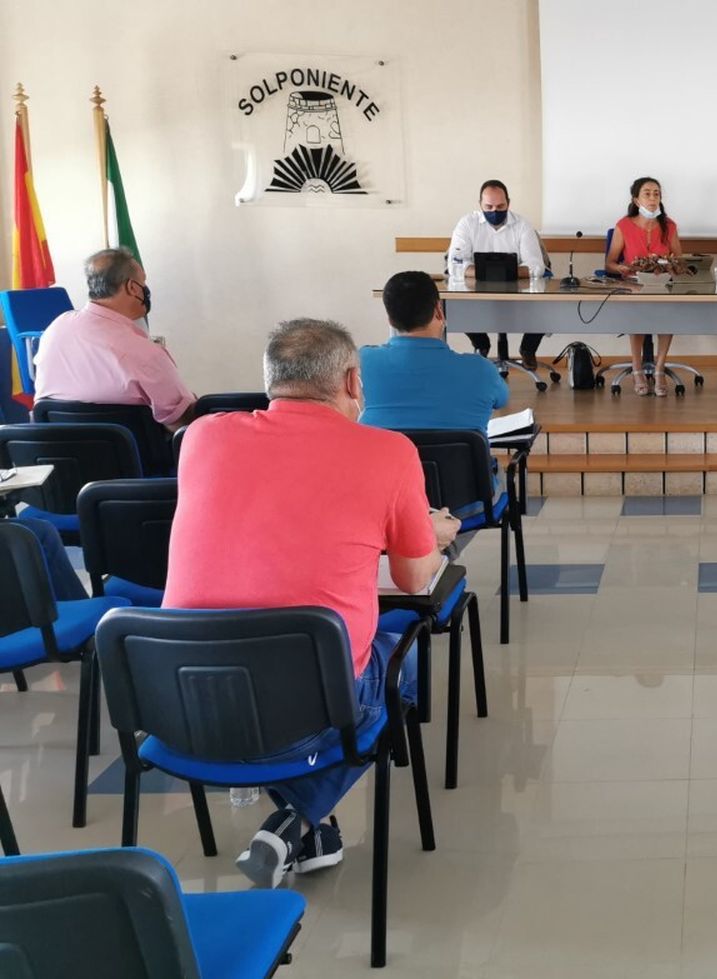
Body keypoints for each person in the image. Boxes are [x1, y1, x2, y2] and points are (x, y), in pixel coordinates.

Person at [163, 318, 460, 888]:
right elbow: (412, 576)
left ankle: (314, 836)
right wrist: (434, 534)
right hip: (305, 716)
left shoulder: (201, 437)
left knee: (299, 655)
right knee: (403, 659)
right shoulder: (388, 451)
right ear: (352, 381)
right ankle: (298, 818)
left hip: (181, 703)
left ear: (270, 380)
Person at [32, 248, 196, 431]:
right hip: (137, 450)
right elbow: (182, 421)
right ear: (132, 287)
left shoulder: (55, 329)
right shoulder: (145, 353)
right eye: (143, 282)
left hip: (60, 447)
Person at [361, 271, 510, 434]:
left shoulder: (362, 363)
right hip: (461, 451)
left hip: (385, 452)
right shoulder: (482, 370)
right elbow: (501, 400)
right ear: (439, 310)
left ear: (390, 319)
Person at [446, 179, 549, 367]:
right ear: (480, 204)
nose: (495, 211)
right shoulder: (467, 224)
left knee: (546, 306)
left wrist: (490, 272)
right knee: (455, 306)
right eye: (489, 207)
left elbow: (536, 266)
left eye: (500, 206)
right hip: (476, 293)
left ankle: (528, 349)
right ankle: (481, 345)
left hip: (518, 293)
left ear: (508, 203)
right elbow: (455, 265)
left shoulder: (523, 225)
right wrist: (500, 271)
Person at [604, 176, 684, 397]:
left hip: (663, 283)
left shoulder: (669, 226)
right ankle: (637, 369)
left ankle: (659, 369)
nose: (652, 198)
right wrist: (622, 268)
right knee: (637, 315)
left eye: (656, 194)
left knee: (667, 314)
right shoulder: (624, 225)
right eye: (647, 194)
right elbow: (609, 263)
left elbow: (680, 261)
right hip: (634, 283)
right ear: (636, 200)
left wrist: (671, 266)